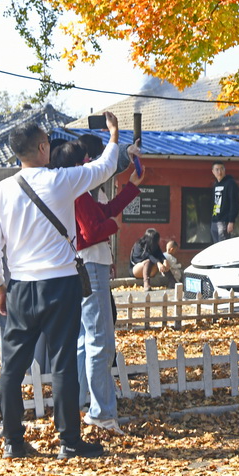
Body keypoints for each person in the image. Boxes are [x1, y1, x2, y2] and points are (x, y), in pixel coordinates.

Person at [0, 113, 122, 459]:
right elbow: (104, 168)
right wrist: (115, 136)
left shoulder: (0, 190)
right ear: (43, 148)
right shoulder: (61, 181)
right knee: (62, 364)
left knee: (12, 367)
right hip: (60, 283)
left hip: (20, 286)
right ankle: (69, 442)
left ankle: (13, 440)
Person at [70, 134, 144, 434]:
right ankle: (102, 412)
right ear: (87, 160)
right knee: (100, 340)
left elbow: (106, 209)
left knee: (85, 340)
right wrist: (115, 227)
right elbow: (92, 230)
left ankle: (83, 402)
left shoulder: (76, 186)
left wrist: (131, 187)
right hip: (90, 266)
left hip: (82, 266)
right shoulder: (80, 188)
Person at [210, 162, 239, 242]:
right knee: (215, 246)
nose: (220, 172)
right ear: (213, 171)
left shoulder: (230, 183)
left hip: (224, 221)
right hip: (214, 220)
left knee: (222, 246)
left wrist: (231, 221)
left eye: (222, 169)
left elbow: (234, 203)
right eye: (217, 169)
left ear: (225, 170)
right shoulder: (215, 184)